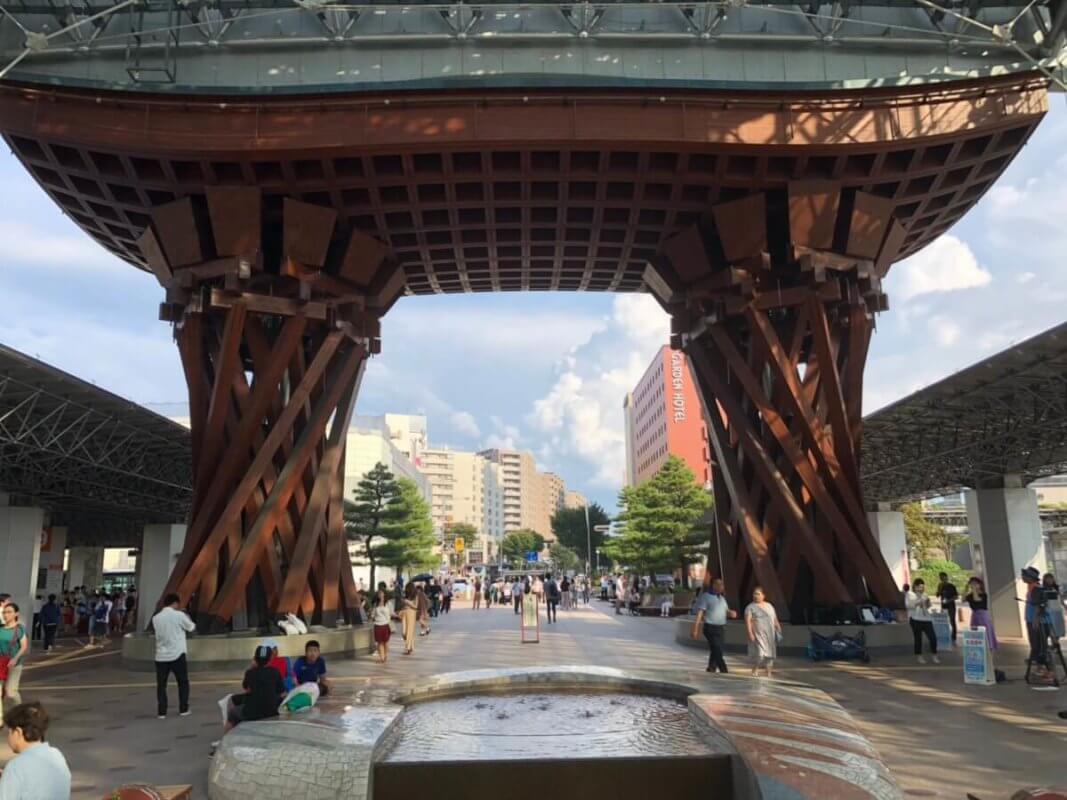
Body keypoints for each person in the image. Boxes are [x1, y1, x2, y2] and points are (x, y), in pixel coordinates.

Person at [0, 702, 70, 800]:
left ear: (18, 732)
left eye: (9, 731)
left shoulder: (15, 767)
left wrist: (9, 777)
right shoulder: (56, 755)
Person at [151, 592, 196, 719]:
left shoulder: (156, 618)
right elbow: (191, 627)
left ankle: (162, 712)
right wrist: (187, 616)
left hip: (161, 656)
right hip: (177, 654)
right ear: (175, 603)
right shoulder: (179, 615)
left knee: (161, 685)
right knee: (183, 682)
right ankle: (183, 709)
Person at [225, 645, 286, 733]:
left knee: (232, 712)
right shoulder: (275, 672)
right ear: (270, 659)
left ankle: (227, 736)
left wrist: (252, 667)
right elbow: (282, 693)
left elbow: (247, 689)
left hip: (252, 712)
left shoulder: (250, 673)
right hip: (272, 711)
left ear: (255, 658)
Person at [691, 578, 736, 673]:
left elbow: (726, 611)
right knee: (717, 649)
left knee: (717, 649)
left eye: (722, 584)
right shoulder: (706, 596)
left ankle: (711, 668)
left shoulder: (722, 598)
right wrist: (695, 629)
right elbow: (700, 613)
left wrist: (731, 613)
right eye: (718, 584)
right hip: (710, 628)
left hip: (721, 628)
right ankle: (724, 670)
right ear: (714, 585)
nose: (721, 586)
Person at [744, 586, 782, 678]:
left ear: (763, 595)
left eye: (758, 594)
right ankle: (755, 669)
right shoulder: (750, 607)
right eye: (754, 594)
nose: (755, 596)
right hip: (758, 634)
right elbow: (748, 621)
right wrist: (750, 633)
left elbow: (774, 618)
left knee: (770, 654)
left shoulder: (769, 606)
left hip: (770, 634)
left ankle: (769, 673)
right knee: (760, 654)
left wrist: (778, 627)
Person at [0, 604, 29, 719]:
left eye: (9, 612)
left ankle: (20, 712)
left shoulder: (19, 629)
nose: (6, 615)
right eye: (4, 612)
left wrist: (15, 658)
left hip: (14, 664)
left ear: (16, 614)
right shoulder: (0, 628)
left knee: (11, 692)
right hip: (0, 663)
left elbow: (24, 646)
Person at [906, 579, 939, 665]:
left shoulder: (925, 594)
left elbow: (928, 606)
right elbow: (908, 605)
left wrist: (927, 602)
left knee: (933, 637)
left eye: (923, 587)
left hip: (927, 619)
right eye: (920, 587)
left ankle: (934, 655)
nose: (922, 589)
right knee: (918, 638)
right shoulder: (910, 594)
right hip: (915, 619)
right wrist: (919, 601)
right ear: (915, 587)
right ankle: (919, 656)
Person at [1022, 567, 1048, 673]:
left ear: (1030, 577)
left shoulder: (1036, 588)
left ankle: (1041, 667)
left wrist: (1036, 619)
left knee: (1037, 644)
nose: (1023, 577)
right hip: (1031, 619)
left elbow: (1038, 605)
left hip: (1035, 620)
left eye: (1025, 575)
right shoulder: (1031, 587)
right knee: (1034, 643)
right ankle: (1039, 666)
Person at [961, 576, 997, 651]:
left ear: (980, 585)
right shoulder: (970, 595)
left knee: (985, 632)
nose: (973, 585)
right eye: (971, 583)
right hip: (975, 615)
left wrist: (974, 589)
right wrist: (965, 589)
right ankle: (978, 648)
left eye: (975, 583)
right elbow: (963, 599)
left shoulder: (983, 594)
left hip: (983, 616)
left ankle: (989, 647)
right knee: (975, 631)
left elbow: (976, 599)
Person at [371, 589, 397, 664]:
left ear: (384, 594)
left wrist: (398, 615)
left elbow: (392, 613)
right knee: (380, 643)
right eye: (379, 593)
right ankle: (382, 658)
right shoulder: (375, 604)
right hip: (377, 625)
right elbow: (373, 614)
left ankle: (385, 656)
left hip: (385, 625)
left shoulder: (388, 603)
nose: (380, 595)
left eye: (381, 593)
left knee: (385, 642)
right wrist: (371, 616)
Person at [937, 572, 959, 645]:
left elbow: (956, 597)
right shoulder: (940, 585)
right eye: (941, 578)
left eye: (944, 578)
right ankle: (946, 634)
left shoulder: (951, 586)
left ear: (946, 578)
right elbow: (937, 595)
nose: (942, 579)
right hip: (943, 606)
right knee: (944, 621)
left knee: (952, 621)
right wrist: (939, 589)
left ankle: (954, 636)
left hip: (951, 606)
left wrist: (948, 601)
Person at [400, 584, 418, 655]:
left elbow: (415, 606)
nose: (405, 590)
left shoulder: (415, 596)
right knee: (404, 632)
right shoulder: (405, 596)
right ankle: (410, 646)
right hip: (404, 613)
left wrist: (407, 602)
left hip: (411, 613)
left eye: (406, 588)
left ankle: (407, 648)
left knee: (409, 631)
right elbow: (403, 605)